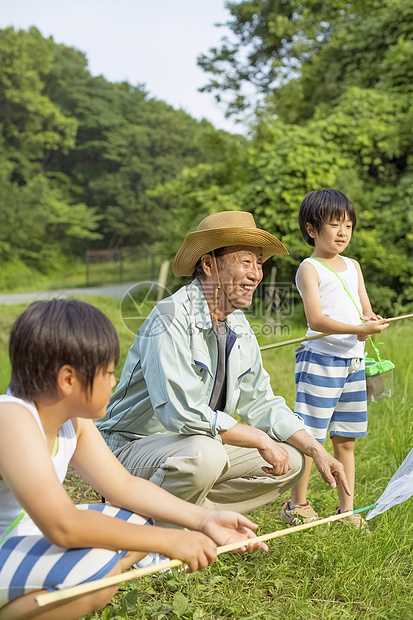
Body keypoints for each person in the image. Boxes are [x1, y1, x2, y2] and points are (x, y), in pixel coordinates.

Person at [0, 299, 266, 620]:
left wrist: (202, 521)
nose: (114, 382)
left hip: (27, 533)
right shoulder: (12, 419)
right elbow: (63, 526)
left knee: (138, 523)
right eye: (109, 372)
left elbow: (123, 486)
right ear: (68, 379)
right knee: (96, 578)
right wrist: (169, 541)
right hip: (12, 541)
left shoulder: (72, 421)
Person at [97, 211, 350, 525]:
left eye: (258, 263)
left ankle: (187, 515)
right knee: (207, 454)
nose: (255, 274)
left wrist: (316, 449)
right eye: (245, 262)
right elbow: (181, 413)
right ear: (208, 264)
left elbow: (261, 401)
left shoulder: (238, 324)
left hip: (192, 447)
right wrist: (260, 439)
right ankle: (151, 525)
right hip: (128, 450)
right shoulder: (170, 317)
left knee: (294, 460)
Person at [280, 189, 389, 529]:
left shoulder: (353, 266)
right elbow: (316, 320)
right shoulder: (309, 269)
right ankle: (297, 504)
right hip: (320, 362)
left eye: (348, 226)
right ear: (312, 229)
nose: (343, 232)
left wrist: (371, 323)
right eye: (334, 225)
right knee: (310, 437)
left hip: (354, 364)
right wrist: (355, 327)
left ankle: (347, 511)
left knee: (346, 439)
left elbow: (365, 311)